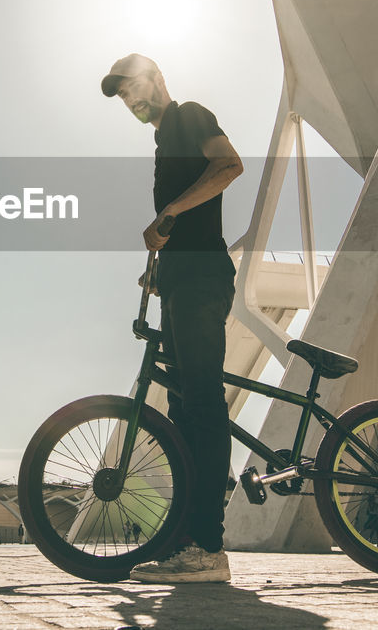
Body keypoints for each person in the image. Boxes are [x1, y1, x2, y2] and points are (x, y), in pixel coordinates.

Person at [101, 53, 243, 584]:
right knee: (184, 411)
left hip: (205, 277)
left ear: (157, 78)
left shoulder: (188, 116)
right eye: (122, 96)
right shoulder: (164, 142)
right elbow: (183, 220)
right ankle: (187, 541)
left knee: (202, 404)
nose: (131, 99)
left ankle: (209, 548)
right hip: (183, 281)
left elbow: (229, 165)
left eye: (134, 86)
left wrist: (167, 215)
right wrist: (161, 269)